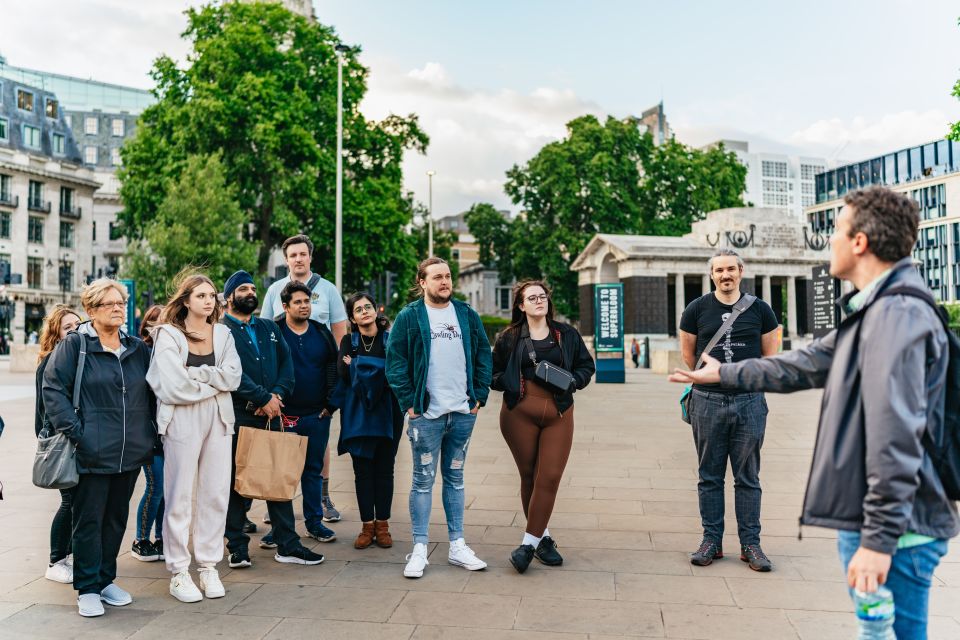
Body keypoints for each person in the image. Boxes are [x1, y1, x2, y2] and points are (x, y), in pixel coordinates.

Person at [671, 186, 959, 639]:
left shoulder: (896, 313)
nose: (830, 240)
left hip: (893, 535)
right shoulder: (880, 308)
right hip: (885, 527)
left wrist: (878, 540)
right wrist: (721, 375)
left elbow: (896, 436)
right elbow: (802, 364)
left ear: (860, 242)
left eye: (838, 230)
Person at [42, 279, 156, 617]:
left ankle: (106, 580)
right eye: (109, 303)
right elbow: (52, 390)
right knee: (88, 521)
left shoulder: (137, 348)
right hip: (91, 451)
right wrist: (79, 433)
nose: (118, 307)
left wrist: (147, 434)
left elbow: (153, 393)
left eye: (121, 302)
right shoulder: (75, 346)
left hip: (130, 451)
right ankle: (87, 587)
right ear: (91, 310)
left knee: (116, 520)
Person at [386, 257, 493, 578]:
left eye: (447, 276)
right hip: (426, 417)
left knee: (456, 479)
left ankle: (457, 545)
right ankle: (419, 548)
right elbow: (395, 363)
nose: (445, 282)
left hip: (463, 413)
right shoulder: (409, 317)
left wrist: (479, 397)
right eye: (437, 277)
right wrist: (410, 405)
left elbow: (483, 354)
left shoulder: (465, 314)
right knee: (422, 481)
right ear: (422, 282)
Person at [678, 248, 779, 572]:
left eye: (731, 270)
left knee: (748, 477)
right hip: (707, 400)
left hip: (749, 401)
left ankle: (751, 544)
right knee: (709, 476)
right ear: (712, 275)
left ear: (741, 271)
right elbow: (688, 354)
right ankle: (712, 541)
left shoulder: (761, 309)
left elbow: (768, 355)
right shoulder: (696, 309)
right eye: (719, 270)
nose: (725, 275)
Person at [146, 273, 242, 602]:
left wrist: (196, 375)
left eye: (212, 295)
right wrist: (212, 380)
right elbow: (171, 385)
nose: (208, 300)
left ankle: (208, 565)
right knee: (179, 494)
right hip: (181, 418)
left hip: (219, 417)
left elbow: (234, 376)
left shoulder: (224, 334)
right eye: (201, 295)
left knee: (215, 492)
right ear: (186, 300)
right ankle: (178, 570)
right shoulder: (168, 334)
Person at [221, 270, 324, 568]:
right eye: (242, 289)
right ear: (229, 297)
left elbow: (286, 366)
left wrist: (276, 396)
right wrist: (261, 398)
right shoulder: (221, 331)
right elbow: (230, 374)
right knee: (237, 482)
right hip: (239, 416)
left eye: (253, 288)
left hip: (272, 415)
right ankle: (237, 547)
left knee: (277, 479)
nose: (250, 292)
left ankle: (288, 544)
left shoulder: (269, 327)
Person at [491, 280, 595, 573]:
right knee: (529, 476)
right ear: (521, 306)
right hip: (518, 415)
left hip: (559, 412)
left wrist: (575, 380)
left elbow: (586, 367)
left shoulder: (566, 334)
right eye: (532, 298)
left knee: (548, 476)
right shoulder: (509, 337)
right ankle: (543, 538)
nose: (539, 301)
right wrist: (510, 382)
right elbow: (492, 372)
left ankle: (527, 545)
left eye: (543, 296)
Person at [261, 234, 348, 523]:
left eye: (303, 254)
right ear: (286, 260)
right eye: (293, 255)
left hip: (316, 388)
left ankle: (322, 499)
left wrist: (336, 390)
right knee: (280, 457)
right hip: (284, 394)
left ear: (310, 257)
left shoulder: (329, 291)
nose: (298, 259)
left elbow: (339, 337)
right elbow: (262, 335)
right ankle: (278, 514)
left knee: (317, 451)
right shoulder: (274, 290)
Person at [260, 281, 339, 548]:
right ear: (285, 306)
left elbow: (333, 365)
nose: (304, 306)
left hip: (317, 414)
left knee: (313, 470)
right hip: (285, 415)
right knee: (282, 473)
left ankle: (314, 523)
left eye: (307, 301)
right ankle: (280, 529)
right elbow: (266, 368)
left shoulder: (320, 332)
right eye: (298, 302)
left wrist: (331, 403)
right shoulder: (275, 332)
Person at [337, 292, 403, 549]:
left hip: (388, 414)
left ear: (376, 310)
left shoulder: (390, 340)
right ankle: (367, 526)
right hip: (358, 415)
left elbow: (395, 372)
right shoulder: (348, 341)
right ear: (352, 317)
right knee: (362, 472)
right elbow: (343, 373)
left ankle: (383, 525)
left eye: (368, 307)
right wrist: (374, 368)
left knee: (385, 470)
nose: (364, 311)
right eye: (358, 309)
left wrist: (358, 366)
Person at [35, 305, 82, 584]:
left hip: (74, 440)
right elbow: (44, 412)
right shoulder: (51, 361)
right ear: (56, 333)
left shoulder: (80, 358)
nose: (75, 331)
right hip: (61, 442)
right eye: (68, 327)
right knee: (69, 502)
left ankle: (73, 556)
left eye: (78, 325)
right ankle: (56, 560)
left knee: (78, 502)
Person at [132, 304, 165, 563]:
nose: (156, 326)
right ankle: (140, 539)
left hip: (170, 432)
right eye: (152, 321)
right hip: (149, 432)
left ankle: (162, 537)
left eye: (162, 321)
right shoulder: (142, 352)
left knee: (168, 489)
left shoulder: (173, 351)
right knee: (156, 486)